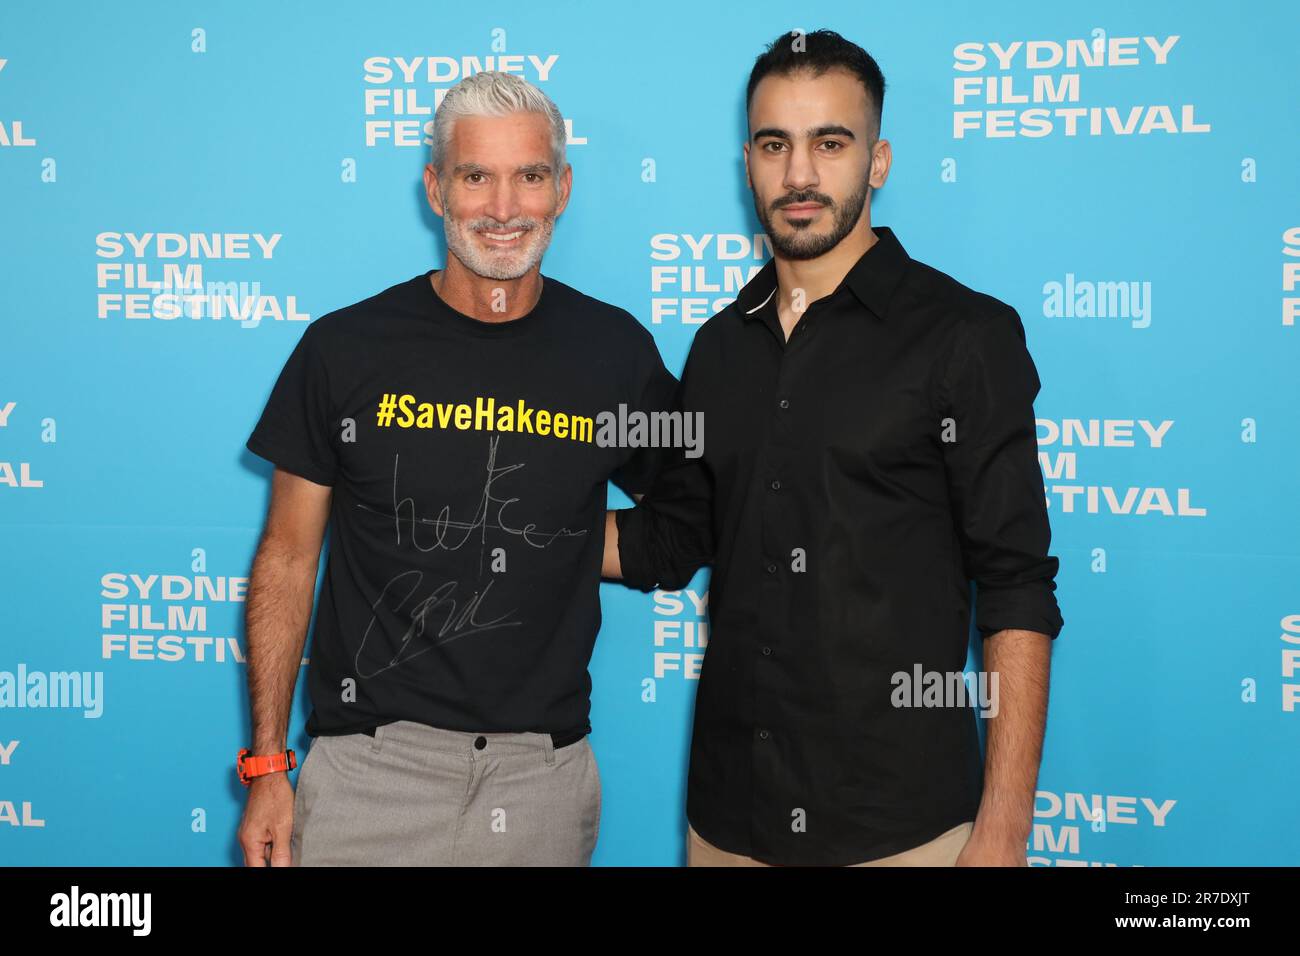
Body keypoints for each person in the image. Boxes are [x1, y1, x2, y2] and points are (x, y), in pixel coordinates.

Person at [604, 29, 1065, 867]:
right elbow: (678, 538)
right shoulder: (719, 347)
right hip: (728, 823)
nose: (801, 175)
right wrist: (505, 522)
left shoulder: (965, 337)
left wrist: (1003, 829)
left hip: (903, 830)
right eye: (776, 145)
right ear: (747, 161)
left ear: (878, 161)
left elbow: (1017, 587)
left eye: (831, 142)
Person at [236, 70, 676, 866]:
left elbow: (692, 517)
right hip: (367, 774)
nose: (504, 209)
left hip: (540, 778)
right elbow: (288, 557)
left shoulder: (613, 354)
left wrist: (566, 539)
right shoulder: (345, 350)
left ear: (563, 188)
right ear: (437, 188)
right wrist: (268, 765)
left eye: (529, 177)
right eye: (477, 176)